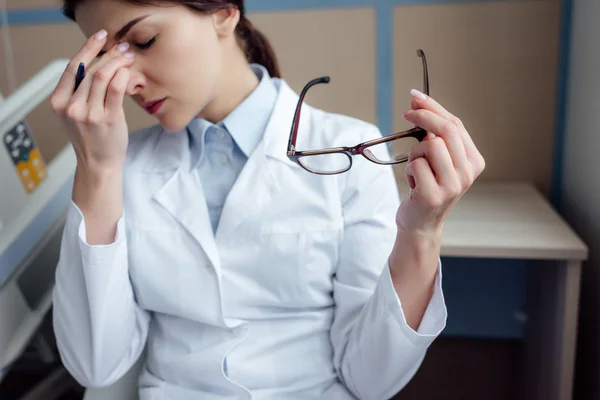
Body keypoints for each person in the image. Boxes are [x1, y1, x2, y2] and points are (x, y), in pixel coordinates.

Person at [50, 0, 485, 399]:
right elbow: (96, 366)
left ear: (222, 13)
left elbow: (371, 379)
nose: (127, 83)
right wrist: (97, 171)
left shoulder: (348, 148)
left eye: (144, 40)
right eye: (109, 59)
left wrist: (422, 232)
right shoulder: (118, 168)